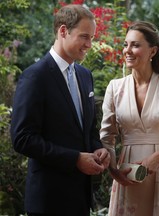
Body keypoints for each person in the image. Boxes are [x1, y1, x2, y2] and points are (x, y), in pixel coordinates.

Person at [10, 4, 110, 216]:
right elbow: (22, 138)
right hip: (48, 201)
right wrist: (75, 158)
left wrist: (97, 148)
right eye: (84, 36)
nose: (89, 44)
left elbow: (87, 128)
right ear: (63, 31)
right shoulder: (35, 77)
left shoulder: (85, 76)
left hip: (81, 199)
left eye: (91, 37)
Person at [100, 21, 159, 216]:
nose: (127, 50)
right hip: (127, 178)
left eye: (135, 45)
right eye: (126, 44)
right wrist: (113, 170)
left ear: (152, 52)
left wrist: (156, 158)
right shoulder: (115, 87)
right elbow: (106, 138)